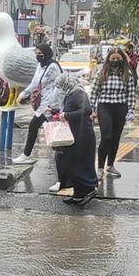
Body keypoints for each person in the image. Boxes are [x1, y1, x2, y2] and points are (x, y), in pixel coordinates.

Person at [91, 47, 136, 179]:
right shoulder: (102, 72)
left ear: (122, 59)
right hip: (105, 107)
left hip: (120, 107)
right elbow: (94, 92)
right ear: (108, 59)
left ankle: (110, 165)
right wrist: (91, 109)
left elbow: (131, 94)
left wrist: (131, 110)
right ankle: (100, 167)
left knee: (116, 138)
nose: (115, 61)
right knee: (107, 137)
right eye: (113, 58)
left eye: (118, 58)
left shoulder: (127, 74)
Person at [14, 43, 63, 164]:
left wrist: (51, 105)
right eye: (36, 53)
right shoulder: (39, 66)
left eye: (40, 53)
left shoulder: (53, 67)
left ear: (46, 53)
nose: (38, 56)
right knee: (53, 129)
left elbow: (59, 86)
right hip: (43, 104)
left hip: (51, 105)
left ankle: (27, 155)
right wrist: (23, 94)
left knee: (39, 127)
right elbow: (34, 83)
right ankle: (63, 155)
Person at [55, 73, 98, 206]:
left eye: (60, 86)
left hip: (83, 136)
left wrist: (66, 115)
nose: (59, 89)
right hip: (75, 135)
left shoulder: (77, 93)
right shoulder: (71, 93)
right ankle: (78, 195)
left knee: (80, 165)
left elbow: (87, 110)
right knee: (73, 164)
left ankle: (89, 190)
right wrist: (54, 111)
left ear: (66, 84)